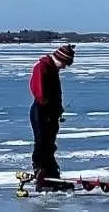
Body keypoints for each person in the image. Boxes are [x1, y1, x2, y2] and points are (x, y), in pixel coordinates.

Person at [29, 43, 75, 180]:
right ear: (60, 59)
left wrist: (57, 108)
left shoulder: (53, 70)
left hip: (51, 111)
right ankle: (41, 169)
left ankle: (50, 169)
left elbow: (57, 92)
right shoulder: (42, 67)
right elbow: (39, 90)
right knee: (42, 141)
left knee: (49, 142)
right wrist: (48, 105)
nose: (64, 67)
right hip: (41, 110)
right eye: (65, 63)